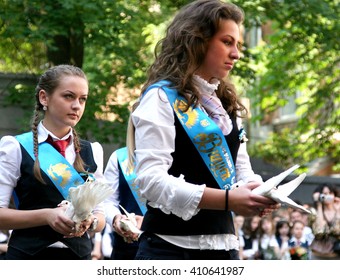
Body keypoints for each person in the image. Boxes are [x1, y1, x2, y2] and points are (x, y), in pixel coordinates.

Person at [126, 0, 279, 260]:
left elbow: (241, 170)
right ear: (197, 40)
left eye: (238, 45)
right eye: (227, 42)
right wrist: (230, 200)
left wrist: (258, 192)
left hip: (225, 248)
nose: (236, 54)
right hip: (169, 250)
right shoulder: (161, 98)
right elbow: (150, 181)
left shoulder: (226, 104)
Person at [0, 64, 106, 260]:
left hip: (78, 258)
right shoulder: (15, 147)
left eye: (82, 99)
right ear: (44, 98)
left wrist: (90, 222)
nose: (77, 106)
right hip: (27, 259)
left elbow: (101, 217)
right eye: (68, 96)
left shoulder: (93, 151)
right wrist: (47, 215)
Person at [104, 147, 144, 259]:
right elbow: (108, 200)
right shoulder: (120, 157)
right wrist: (116, 218)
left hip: (167, 246)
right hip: (126, 246)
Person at [310, 183, 340, 259]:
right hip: (318, 254)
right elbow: (319, 231)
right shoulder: (314, 211)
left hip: (335, 254)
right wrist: (319, 205)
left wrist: (338, 211)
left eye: (330, 193)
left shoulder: (338, 210)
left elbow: (337, 231)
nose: (328, 196)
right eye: (325, 193)